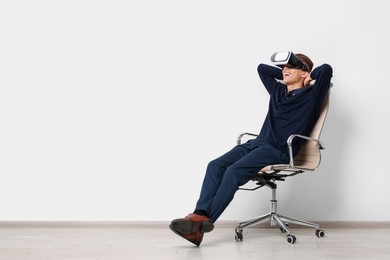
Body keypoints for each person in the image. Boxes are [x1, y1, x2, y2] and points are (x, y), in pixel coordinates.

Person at [169, 52, 333, 246]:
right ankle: (199, 215)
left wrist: (309, 76)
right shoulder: (278, 92)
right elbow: (261, 69)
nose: (284, 70)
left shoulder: (312, 96)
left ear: (304, 72)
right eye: (283, 68)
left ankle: (204, 223)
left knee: (233, 172)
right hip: (257, 143)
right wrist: (287, 72)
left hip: (278, 149)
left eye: (290, 67)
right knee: (215, 166)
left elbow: (327, 69)